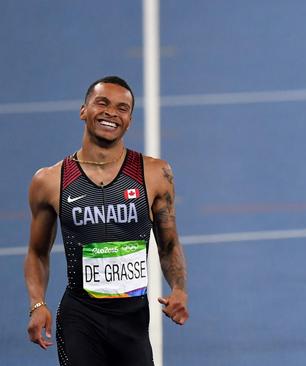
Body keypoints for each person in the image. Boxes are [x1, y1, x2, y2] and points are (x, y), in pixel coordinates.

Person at [24, 76, 189, 366]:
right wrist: (37, 304)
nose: (111, 112)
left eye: (122, 108)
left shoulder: (155, 174)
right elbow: (37, 253)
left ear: (129, 120)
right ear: (83, 110)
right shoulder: (49, 181)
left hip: (133, 321)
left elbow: (169, 244)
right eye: (102, 103)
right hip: (80, 317)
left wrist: (179, 289)